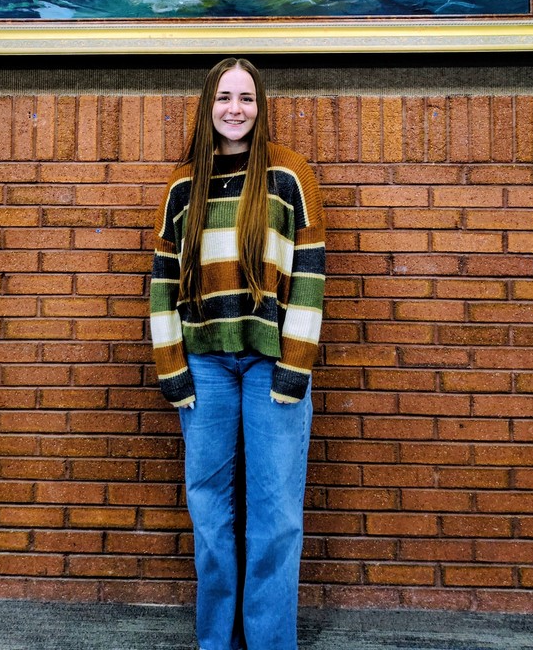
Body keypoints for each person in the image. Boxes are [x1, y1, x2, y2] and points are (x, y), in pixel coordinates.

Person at [150, 57, 325, 650]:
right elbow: (163, 284)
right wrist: (172, 369)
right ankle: (216, 643)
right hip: (205, 367)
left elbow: (310, 276)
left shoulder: (289, 176)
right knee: (210, 514)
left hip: (272, 364)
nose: (235, 108)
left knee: (276, 517)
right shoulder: (184, 185)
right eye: (224, 97)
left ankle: (270, 642)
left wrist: (295, 367)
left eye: (246, 98)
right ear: (209, 106)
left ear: (260, 106)